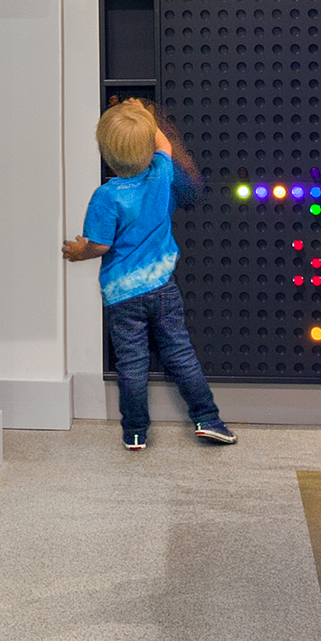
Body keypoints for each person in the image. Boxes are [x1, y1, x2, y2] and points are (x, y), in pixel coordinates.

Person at [62, 99, 234, 451]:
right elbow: (165, 145)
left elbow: (100, 245)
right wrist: (147, 115)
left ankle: (136, 432)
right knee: (181, 355)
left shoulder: (106, 197)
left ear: (105, 153)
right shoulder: (161, 172)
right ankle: (208, 419)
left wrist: (79, 253)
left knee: (132, 364)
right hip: (164, 287)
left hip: (124, 296)